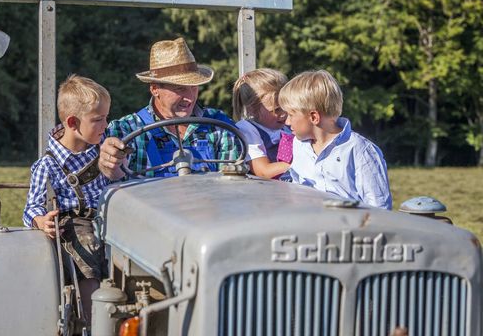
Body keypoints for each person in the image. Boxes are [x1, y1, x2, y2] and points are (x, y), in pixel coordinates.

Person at [23, 74, 111, 325]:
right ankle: (91, 320)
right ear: (73, 122)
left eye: (106, 117)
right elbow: (32, 206)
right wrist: (41, 221)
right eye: (98, 120)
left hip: (110, 218)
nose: (106, 125)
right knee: (87, 244)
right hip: (78, 226)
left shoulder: (103, 147)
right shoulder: (47, 165)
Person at [99, 37, 240, 179]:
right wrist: (110, 163)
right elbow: (113, 174)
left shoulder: (219, 126)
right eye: (180, 89)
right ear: (155, 89)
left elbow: (230, 184)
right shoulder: (128, 129)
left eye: (194, 87)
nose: (190, 97)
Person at [278, 69, 392, 209]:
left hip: (348, 228)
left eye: (290, 115)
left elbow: (379, 206)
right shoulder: (298, 144)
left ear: (314, 117)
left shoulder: (359, 150)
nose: (287, 122)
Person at [232, 68, 294, 179]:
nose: (284, 114)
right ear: (252, 109)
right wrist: (299, 165)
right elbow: (263, 171)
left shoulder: (288, 127)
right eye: (276, 109)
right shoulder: (247, 129)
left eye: (286, 107)